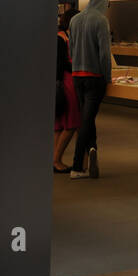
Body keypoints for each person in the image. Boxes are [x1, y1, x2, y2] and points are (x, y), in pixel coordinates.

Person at [68, 0, 112, 179]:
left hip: (77, 75)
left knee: (87, 117)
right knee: (86, 120)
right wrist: (107, 77)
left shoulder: (74, 20)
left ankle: (92, 149)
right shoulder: (101, 21)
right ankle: (77, 167)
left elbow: (71, 49)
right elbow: (104, 54)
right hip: (94, 77)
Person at [54, 11, 80, 173]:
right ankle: (56, 160)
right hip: (67, 81)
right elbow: (62, 63)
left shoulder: (65, 36)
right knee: (71, 123)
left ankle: (54, 159)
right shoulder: (61, 38)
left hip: (65, 81)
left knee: (59, 125)